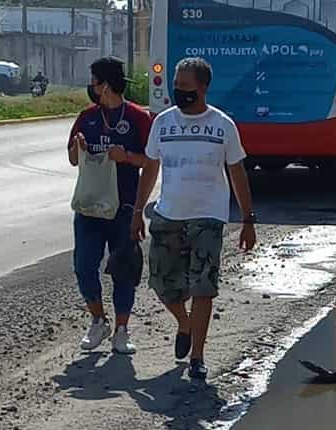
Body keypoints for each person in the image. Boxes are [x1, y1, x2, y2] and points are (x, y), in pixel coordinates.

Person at [132, 57, 257, 381]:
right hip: (168, 214)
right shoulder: (163, 123)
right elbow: (150, 167)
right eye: (177, 85)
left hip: (208, 217)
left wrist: (247, 219)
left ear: (203, 87)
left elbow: (237, 172)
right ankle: (184, 324)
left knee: (203, 287)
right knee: (162, 282)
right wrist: (136, 211)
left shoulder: (222, 125)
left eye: (186, 87)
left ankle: (197, 358)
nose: (179, 91)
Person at [69, 57, 151, 355]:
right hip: (90, 206)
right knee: (84, 266)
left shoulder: (140, 118)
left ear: (105, 84)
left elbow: (151, 161)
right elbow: (73, 160)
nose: (90, 87)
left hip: (124, 206)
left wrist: (126, 156)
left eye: (93, 81)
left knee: (123, 270)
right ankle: (98, 320)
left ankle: (121, 330)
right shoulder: (87, 117)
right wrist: (78, 147)